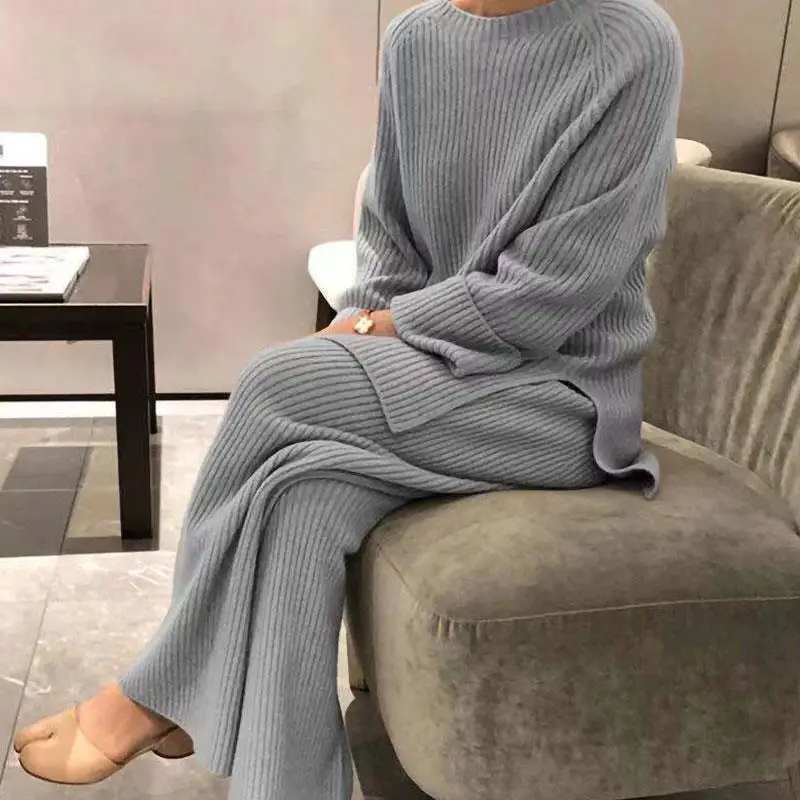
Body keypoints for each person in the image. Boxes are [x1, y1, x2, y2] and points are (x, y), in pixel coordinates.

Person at [12, 0, 682, 797]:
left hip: (561, 399)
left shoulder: (633, 42)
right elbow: (388, 245)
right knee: (299, 496)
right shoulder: (415, 41)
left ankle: (158, 690)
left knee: (273, 382)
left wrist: (372, 330)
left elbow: (551, 294)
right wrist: (365, 325)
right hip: (439, 375)